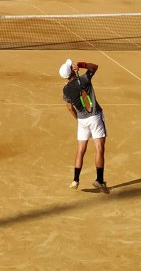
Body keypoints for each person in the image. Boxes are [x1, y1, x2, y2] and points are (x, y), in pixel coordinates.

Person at [59, 58, 109, 194]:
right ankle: (99, 180)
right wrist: (82, 65)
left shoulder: (66, 90)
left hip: (82, 121)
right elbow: (95, 66)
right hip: (95, 118)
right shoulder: (85, 79)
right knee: (99, 148)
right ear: (72, 71)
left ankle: (75, 180)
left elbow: (69, 107)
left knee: (81, 150)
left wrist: (78, 119)